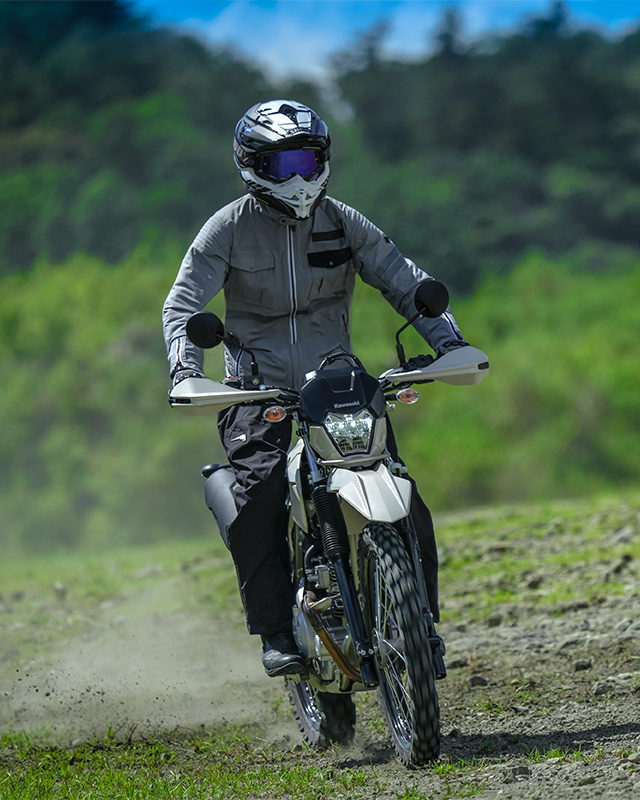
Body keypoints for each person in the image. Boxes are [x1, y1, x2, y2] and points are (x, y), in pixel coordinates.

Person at [162, 100, 469, 677]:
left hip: (339, 386)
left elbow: (407, 283)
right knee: (259, 497)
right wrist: (186, 370)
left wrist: (449, 342)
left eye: (308, 160)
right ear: (253, 165)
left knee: (407, 497)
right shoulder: (225, 231)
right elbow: (183, 308)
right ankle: (276, 629)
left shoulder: (345, 222)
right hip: (257, 395)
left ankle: (420, 625)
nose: (300, 178)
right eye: (284, 165)